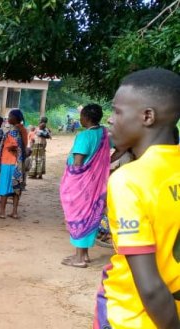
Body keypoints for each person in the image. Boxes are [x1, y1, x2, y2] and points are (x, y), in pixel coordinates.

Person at [93, 68, 180, 329]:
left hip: (133, 316)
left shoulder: (130, 181)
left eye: (117, 111)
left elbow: (151, 288)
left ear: (147, 116)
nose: (110, 119)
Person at [59, 106, 111, 268]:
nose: (80, 119)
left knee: (78, 215)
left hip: (81, 183)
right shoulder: (105, 134)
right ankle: (83, 255)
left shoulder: (84, 136)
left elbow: (78, 163)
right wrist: (105, 163)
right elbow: (122, 148)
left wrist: (71, 181)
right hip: (96, 182)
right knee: (89, 214)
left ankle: (80, 258)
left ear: (86, 117)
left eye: (81, 116)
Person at [0, 109, 28, 219]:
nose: (8, 118)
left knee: (4, 187)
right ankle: (15, 212)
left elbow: (14, 145)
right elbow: (24, 145)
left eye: (10, 116)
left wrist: (7, 145)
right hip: (18, 163)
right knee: (16, 187)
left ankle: (2, 212)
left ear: (15, 118)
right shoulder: (23, 130)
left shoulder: (13, 130)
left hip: (8, 162)